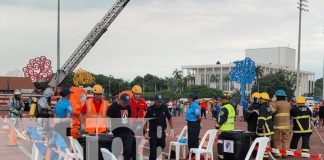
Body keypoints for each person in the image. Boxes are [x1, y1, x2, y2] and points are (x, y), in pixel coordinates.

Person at [144, 94, 174, 160]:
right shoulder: (150, 109)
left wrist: (172, 128)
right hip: (153, 132)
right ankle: (152, 158)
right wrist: (145, 132)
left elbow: (169, 118)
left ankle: (153, 157)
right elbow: (145, 121)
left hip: (161, 131)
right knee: (153, 149)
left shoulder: (164, 107)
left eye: (160, 101)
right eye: (158, 102)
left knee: (162, 145)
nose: (159, 103)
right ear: (154, 101)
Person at [107, 93, 136, 160]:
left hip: (126, 131)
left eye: (127, 103)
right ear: (120, 100)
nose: (125, 104)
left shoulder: (127, 107)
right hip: (116, 132)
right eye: (124, 102)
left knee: (128, 150)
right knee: (115, 152)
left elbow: (126, 119)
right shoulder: (113, 107)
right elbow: (107, 117)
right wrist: (108, 128)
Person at [270, 89, 291, 158]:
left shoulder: (276, 103)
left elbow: (272, 111)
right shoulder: (288, 104)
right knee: (286, 140)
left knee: (277, 140)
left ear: (276, 96)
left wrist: (272, 101)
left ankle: (278, 153)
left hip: (278, 126)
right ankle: (285, 154)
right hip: (287, 126)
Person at [216, 94, 235, 160]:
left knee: (220, 144)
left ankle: (221, 157)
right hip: (231, 129)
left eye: (221, 100)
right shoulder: (231, 107)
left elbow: (222, 119)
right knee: (229, 145)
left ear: (224, 100)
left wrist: (217, 126)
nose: (220, 102)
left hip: (223, 130)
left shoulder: (224, 108)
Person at [256, 92, 274, 160]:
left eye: (260, 99)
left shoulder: (263, 107)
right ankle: (265, 156)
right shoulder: (267, 106)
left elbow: (262, 119)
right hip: (269, 128)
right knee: (266, 143)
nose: (259, 100)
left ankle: (265, 157)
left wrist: (259, 127)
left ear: (262, 99)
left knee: (264, 144)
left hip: (265, 129)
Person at [185, 92, 201, 158]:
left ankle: (194, 155)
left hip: (194, 124)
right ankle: (191, 153)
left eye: (188, 98)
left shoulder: (195, 106)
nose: (187, 99)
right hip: (190, 124)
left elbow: (199, 117)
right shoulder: (191, 105)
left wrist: (197, 124)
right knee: (190, 140)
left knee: (193, 140)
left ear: (191, 99)